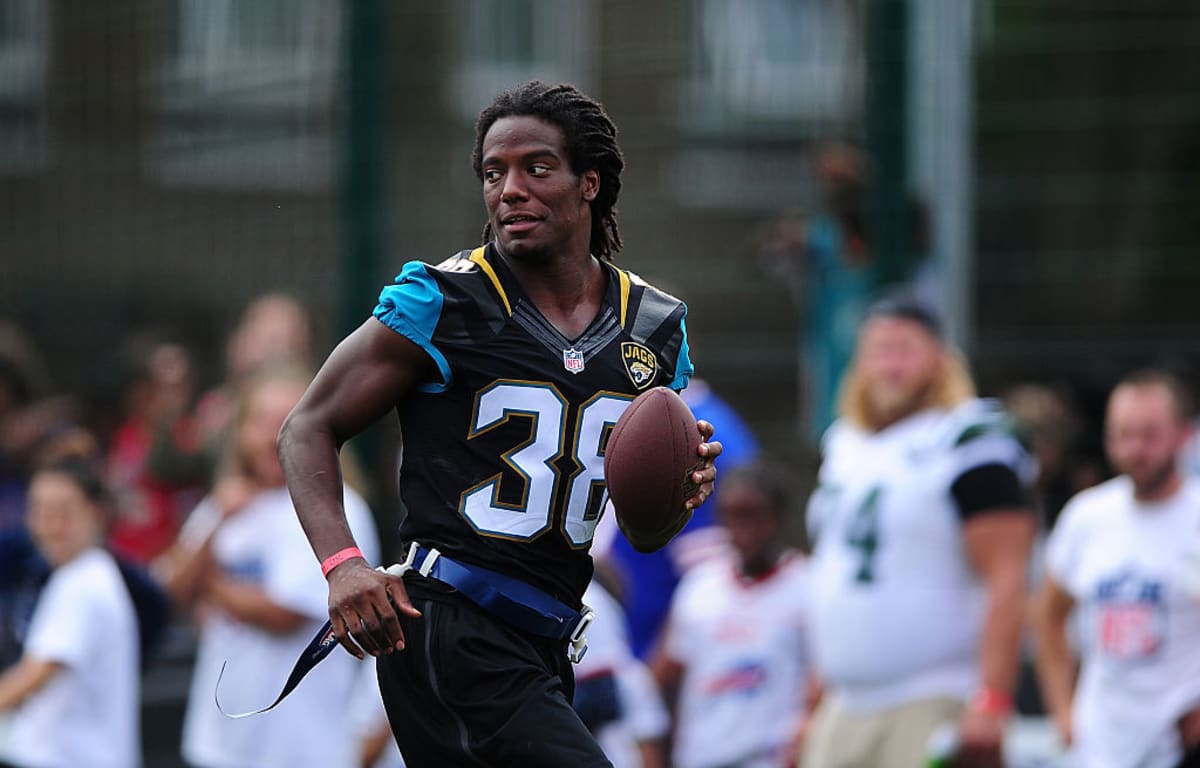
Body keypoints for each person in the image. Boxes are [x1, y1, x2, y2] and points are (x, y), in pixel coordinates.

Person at [276, 80, 721, 768]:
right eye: (493, 172)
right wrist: (343, 566)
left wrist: (676, 491)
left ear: (590, 183)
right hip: (450, 623)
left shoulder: (656, 328)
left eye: (536, 168)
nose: (510, 189)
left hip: (545, 639)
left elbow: (641, 529)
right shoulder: (444, 300)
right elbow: (306, 426)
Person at [801, 296, 1035, 768]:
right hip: (844, 701)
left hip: (933, 697)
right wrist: (814, 698)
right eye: (878, 350)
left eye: (904, 350)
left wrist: (992, 698)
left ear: (939, 359)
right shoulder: (845, 443)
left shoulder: (966, 436)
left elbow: (1008, 577)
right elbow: (836, 576)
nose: (889, 366)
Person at [163, 365, 379, 768]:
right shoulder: (226, 502)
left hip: (302, 748)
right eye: (260, 421)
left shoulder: (337, 508)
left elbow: (284, 614)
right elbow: (171, 589)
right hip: (217, 743)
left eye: (286, 420)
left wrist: (208, 584)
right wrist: (218, 520)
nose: (271, 436)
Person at [1035, 369, 1200, 768]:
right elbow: (1048, 616)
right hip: (1102, 745)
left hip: (1180, 745)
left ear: (1183, 435)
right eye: (1123, 434)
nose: (1135, 449)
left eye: (1150, 435)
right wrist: (1063, 711)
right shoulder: (1087, 516)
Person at [653, 461, 814, 768]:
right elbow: (662, 677)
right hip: (699, 758)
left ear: (777, 516)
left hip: (769, 758)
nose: (743, 530)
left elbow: (822, 683)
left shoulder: (807, 585)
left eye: (753, 515)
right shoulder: (699, 587)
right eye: (733, 516)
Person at [0, 458, 141, 768]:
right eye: (40, 511)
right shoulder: (81, 574)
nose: (49, 526)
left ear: (95, 513)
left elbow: (33, 676)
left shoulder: (83, 584)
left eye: (62, 512)